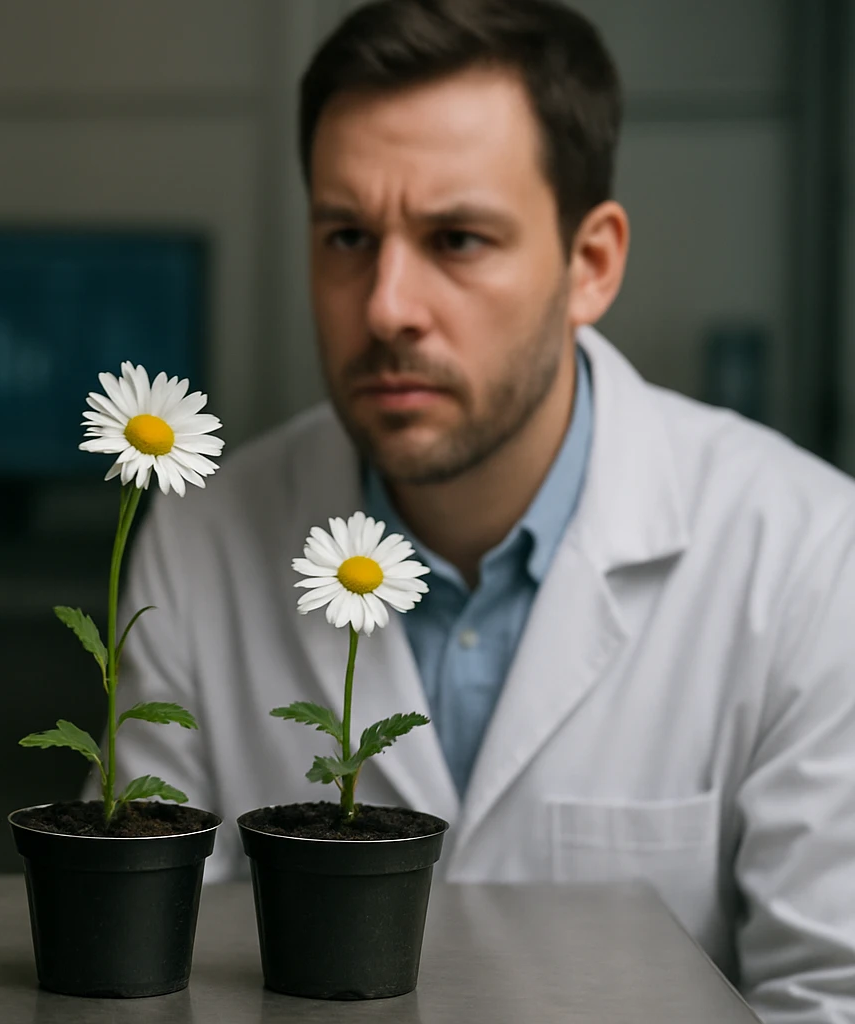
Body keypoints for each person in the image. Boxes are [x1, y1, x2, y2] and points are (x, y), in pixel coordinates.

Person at [111, 0, 855, 1018]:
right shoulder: (197, 543)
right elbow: (149, 978)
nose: (385, 305)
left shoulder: (809, 554)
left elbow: (828, 995)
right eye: (347, 236)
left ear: (590, 263)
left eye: (456, 238)